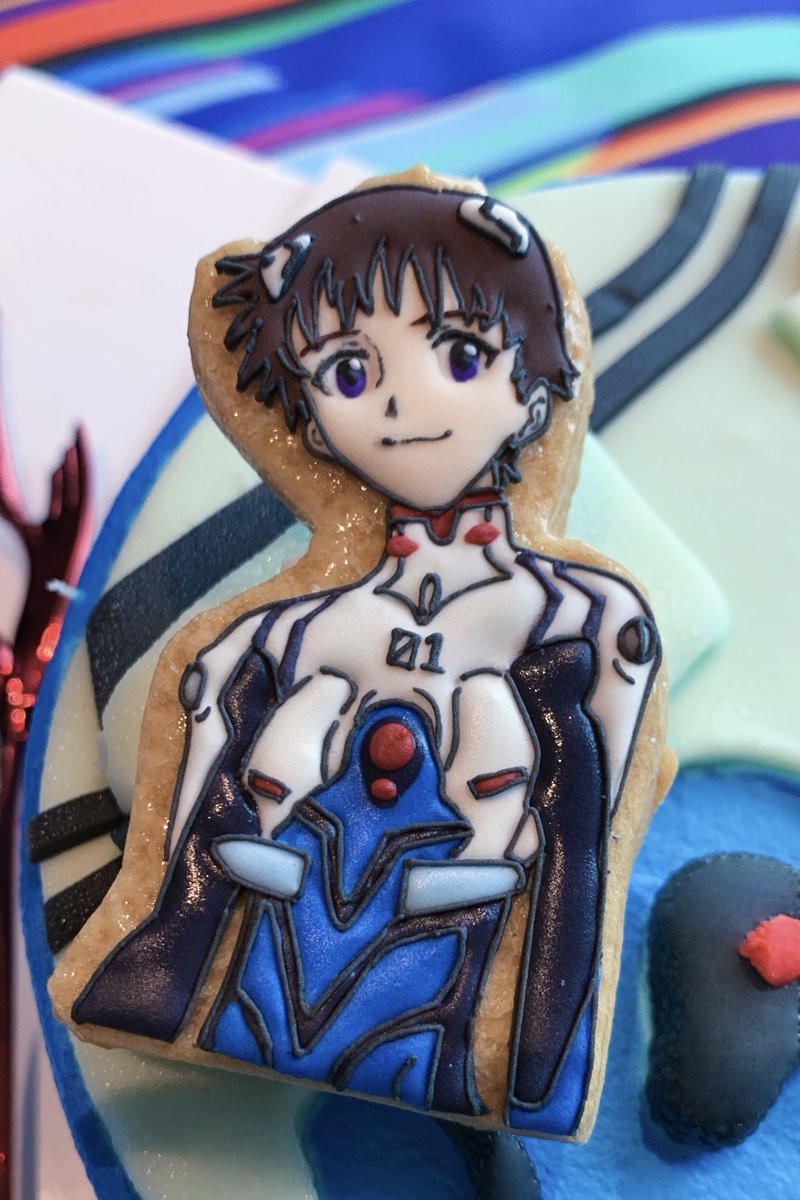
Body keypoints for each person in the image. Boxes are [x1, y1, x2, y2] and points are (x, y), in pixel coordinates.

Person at [73, 183, 660, 1132]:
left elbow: (584, 855)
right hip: (270, 965)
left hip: (449, 974)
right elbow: (187, 835)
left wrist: (540, 1064)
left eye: (460, 356)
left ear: (531, 390)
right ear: (307, 421)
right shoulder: (281, 636)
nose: (400, 401)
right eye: (349, 371)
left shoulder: (584, 621)